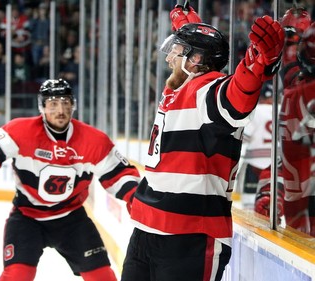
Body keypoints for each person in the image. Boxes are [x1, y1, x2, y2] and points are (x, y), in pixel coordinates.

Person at [120, 4, 285, 281]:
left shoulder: (206, 88)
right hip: (146, 230)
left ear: (194, 60)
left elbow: (235, 97)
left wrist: (258, 62)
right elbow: (201, 53)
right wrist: (190, 26)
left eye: (177, 49)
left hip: (191, 237)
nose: (169, 56)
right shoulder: (180, 86)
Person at [0, 78, 140, 281]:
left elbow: (119, 173)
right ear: (42, 107)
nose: (60, 110)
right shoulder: (21, 131)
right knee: (16, 276)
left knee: (103, 277)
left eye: (65, 102)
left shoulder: (94, 140)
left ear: (73, 105)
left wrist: (136, 196)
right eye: (53, 103)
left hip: (72, 220)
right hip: (27, 218)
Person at [255, 22, 315, 236]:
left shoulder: (294, 96)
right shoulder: (297, 96)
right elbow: (289, 160)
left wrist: (270, 189)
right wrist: (271, 191)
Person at [237, 81, 274, 210]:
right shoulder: (280, 109)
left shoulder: (256, 111)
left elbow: (244, 139)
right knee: (271, 197)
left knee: (249, 199)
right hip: (275, 163)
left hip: (254, 163)